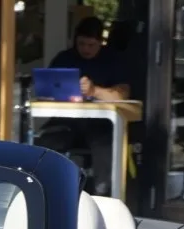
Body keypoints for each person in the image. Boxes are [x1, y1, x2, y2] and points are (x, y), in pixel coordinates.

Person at [41, 16, 133, 194]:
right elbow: (46, 89)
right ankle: (49, 192)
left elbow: (123, 94)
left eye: (91, 45)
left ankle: (104, 194)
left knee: (106, 146)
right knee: (46, 142)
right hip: (66, 121)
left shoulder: (113, 60)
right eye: (82, 44)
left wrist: (94, 91)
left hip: (100, 123)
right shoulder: (65, 58)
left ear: (100, 42)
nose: (86, 49)